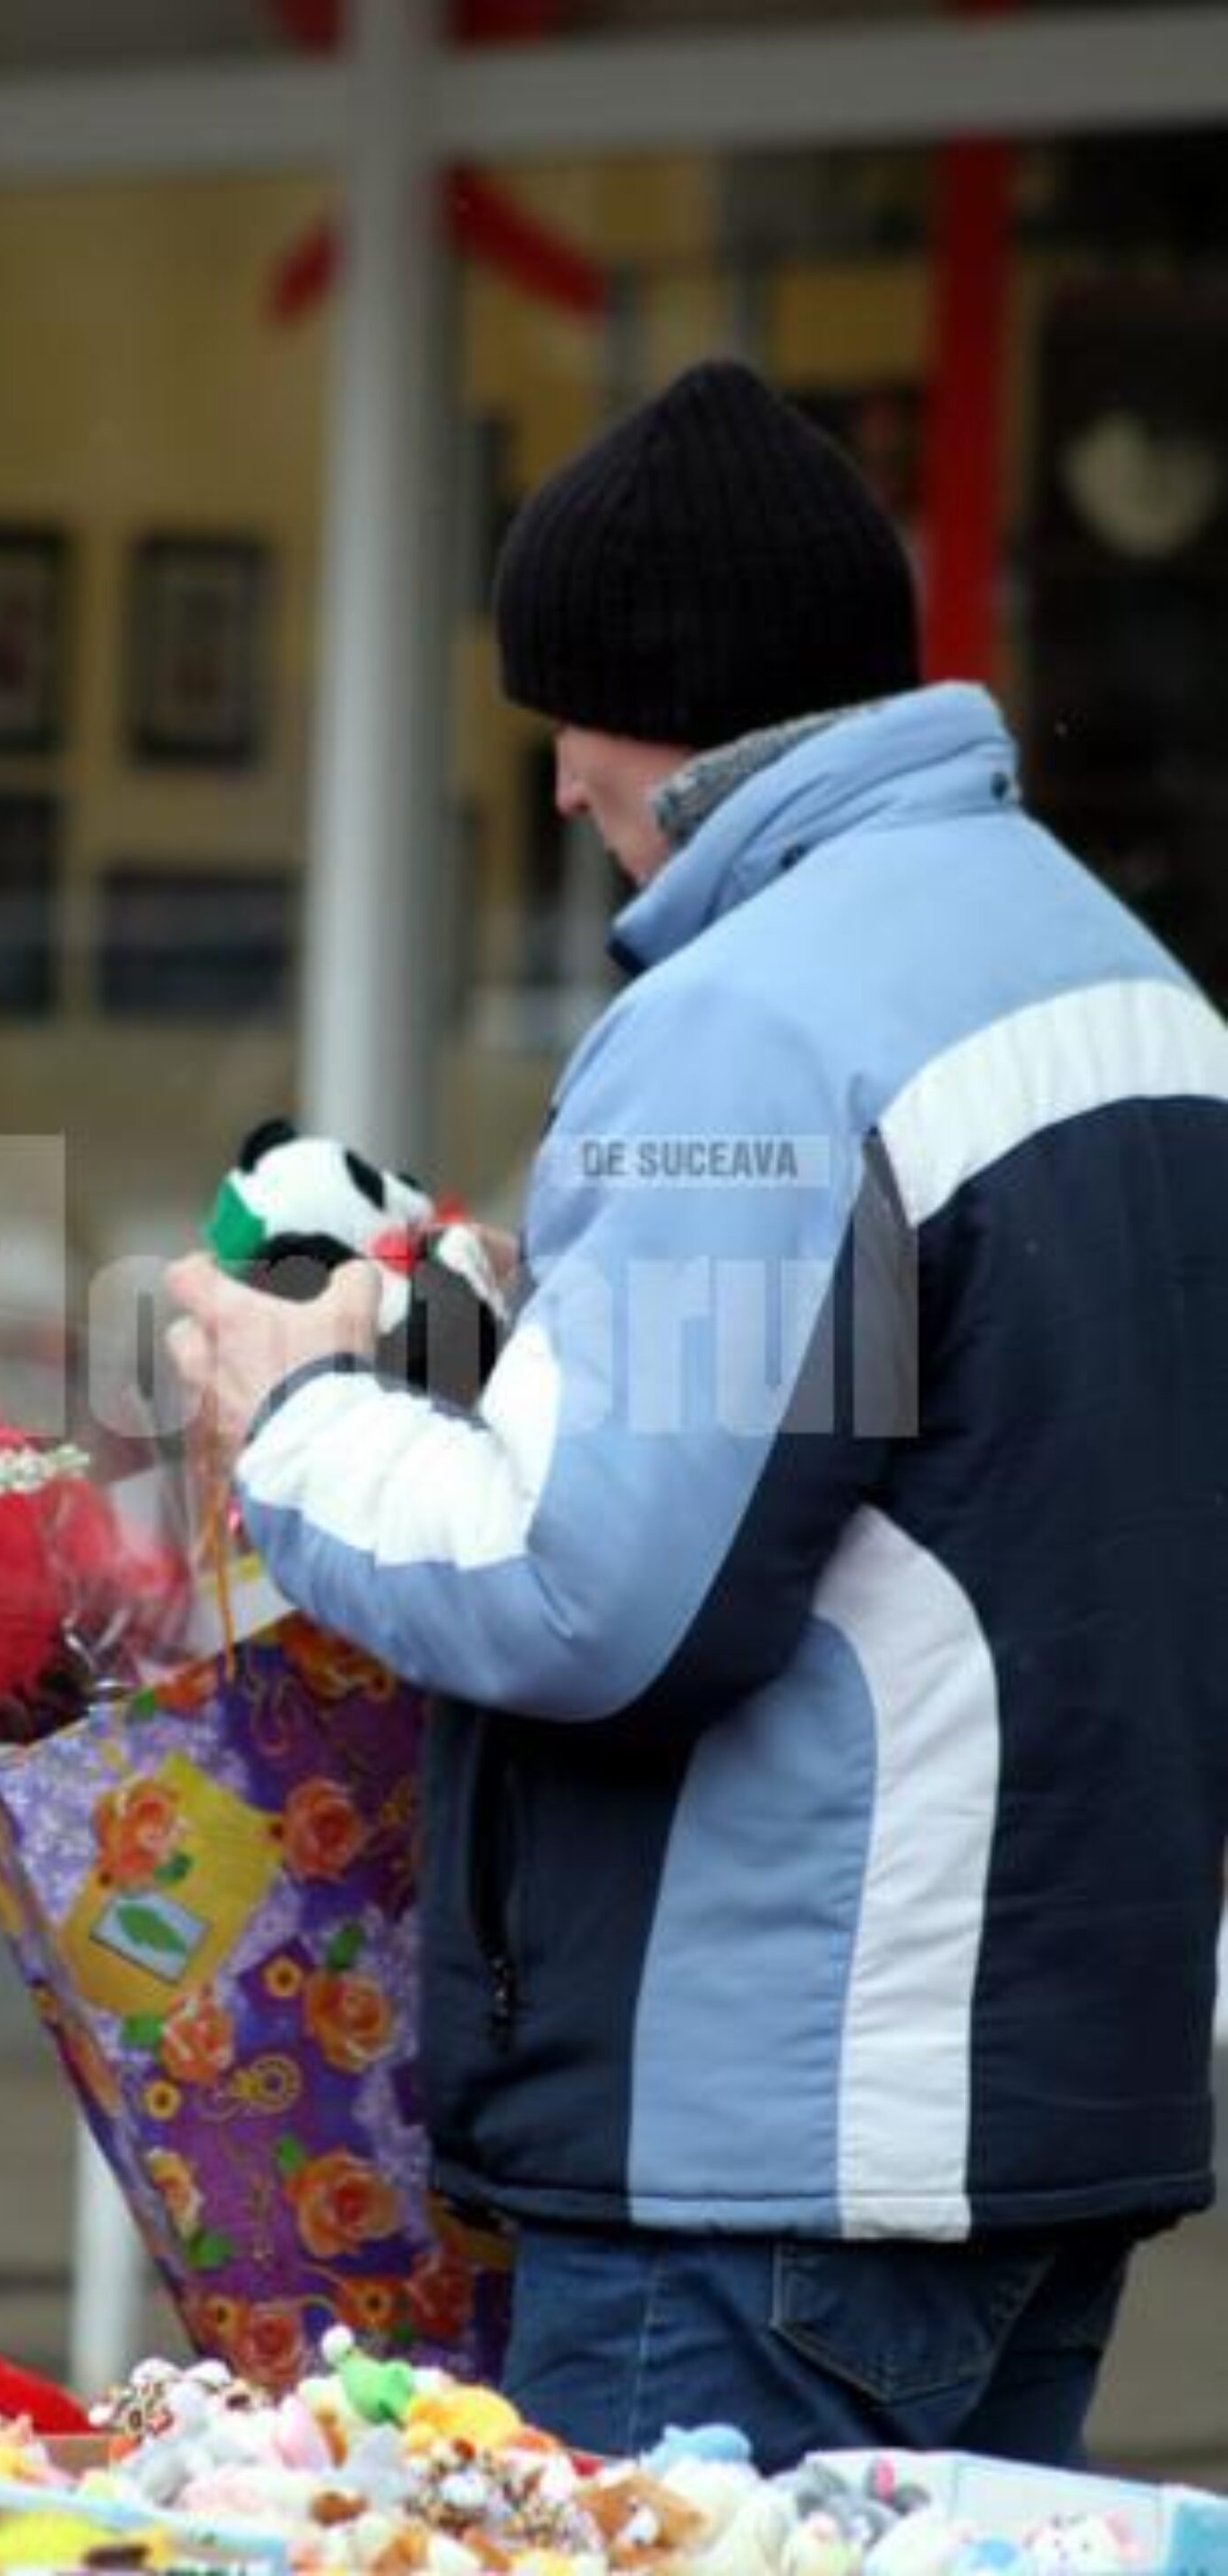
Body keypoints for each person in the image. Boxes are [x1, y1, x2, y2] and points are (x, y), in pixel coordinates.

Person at [166, 358, 1228, 2468]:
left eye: (565, 718)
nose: (561, 784)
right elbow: (934, 1468)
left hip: (769, 2163)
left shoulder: (757, 1019)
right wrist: (511, 1338)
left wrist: (293, 1412)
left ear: (667, 708)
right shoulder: (1126, 978)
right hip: (1043, 2118)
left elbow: (593, 1595)